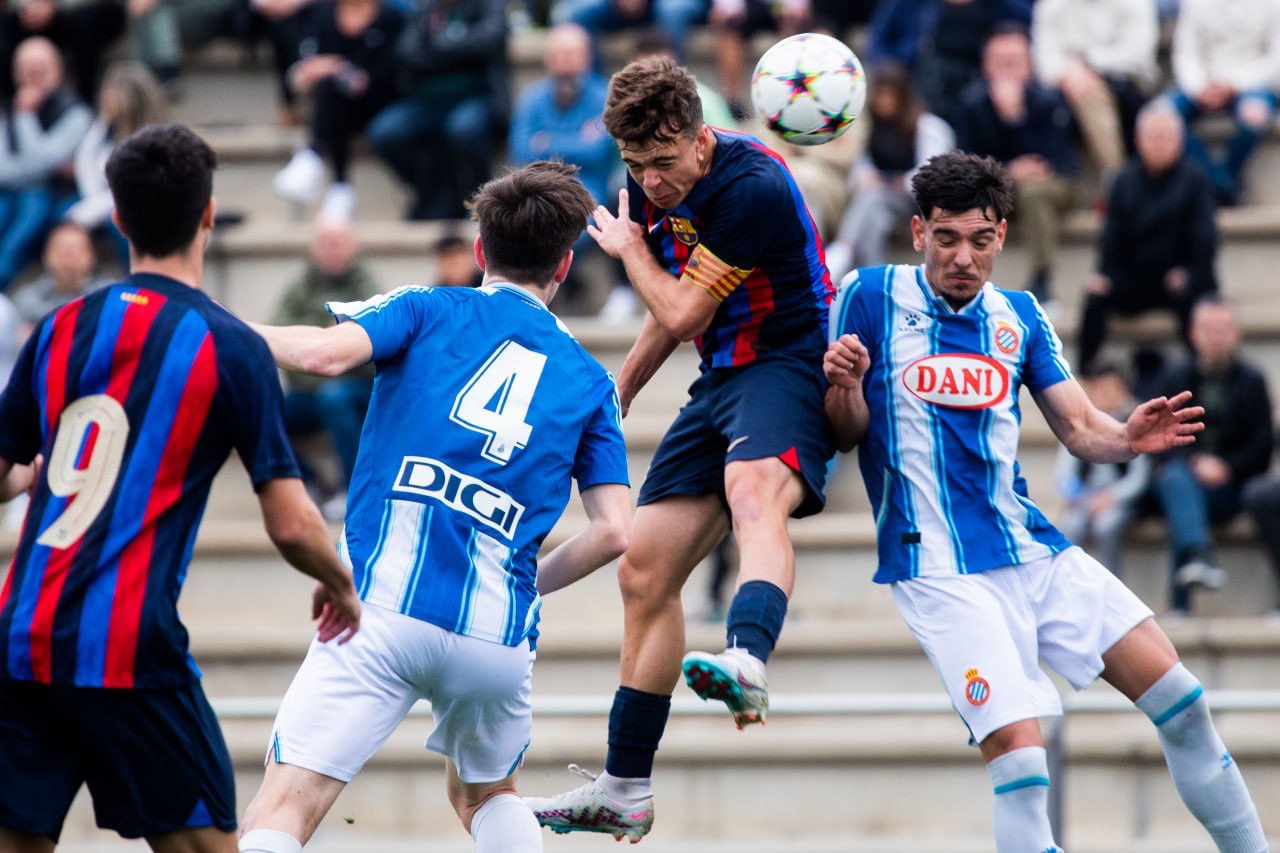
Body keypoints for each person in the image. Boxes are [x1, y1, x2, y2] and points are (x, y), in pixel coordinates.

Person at [823, 150, 1266, 853]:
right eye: (946, 237)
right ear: (917, 233)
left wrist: (1128, 437)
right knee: (1023, 762)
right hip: (937, 568)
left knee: (1184, 703)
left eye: (979, 238)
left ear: (1002, 235)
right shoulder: (869, 295)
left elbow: (1084, 428)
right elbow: (845, 433)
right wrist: (843, 385)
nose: (963, 256)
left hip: (1033, 551)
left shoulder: (1021, 314)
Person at [235, 161, 632, 853]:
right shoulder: (591, 380)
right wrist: (523, 581)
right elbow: (614, 533)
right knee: (485, 793)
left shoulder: (427, 306)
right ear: (564, 266)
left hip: (380, 611)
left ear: (480, 250)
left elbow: (325, 356)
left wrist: (224, 327)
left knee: (286, 803)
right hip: (494, 633)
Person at [0, 123, 361, 852]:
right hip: (128, 645)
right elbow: (291, 523)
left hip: (21, 633)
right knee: (201, 845)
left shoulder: (60, 324)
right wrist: (339, 582)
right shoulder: (228, 344)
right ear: (207, 214)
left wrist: (31, 477)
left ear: (121, 220)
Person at [526, 56, 836, 843]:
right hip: (723, 377)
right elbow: (676, 323)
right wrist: (618, 391)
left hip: (791, 363)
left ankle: (749, 661)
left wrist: (630, 252)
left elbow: (686, 308)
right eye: (636, 166)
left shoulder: (750, 186)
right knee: (643, 567)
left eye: (665, 163)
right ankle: (626, 784)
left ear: (701, 140)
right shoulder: (647, 189)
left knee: (752, 491)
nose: (653, 182)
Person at [1152, 296, 1273, 616]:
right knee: (1177, 479)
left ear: (1236, 333)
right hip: (1183, 479)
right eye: (1209, 330)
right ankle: (1196, 556)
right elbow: (1159, 441)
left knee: (1183, 488)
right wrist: (1196, 462)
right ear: (1193, 333)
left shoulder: (1252, 380)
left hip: (1233, 486)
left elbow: (1263, 445)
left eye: (1223, 329)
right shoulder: (1175, 376)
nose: (1216, 337)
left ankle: (1186, 587)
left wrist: (1226, 467)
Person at [1077, 101, 1219, 371]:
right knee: (1095, 296)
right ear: (1138, 140)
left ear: (1179, 140)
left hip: (1181, 278)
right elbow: (1111, 240)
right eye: (1153, 137)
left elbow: (1205, 243)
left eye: (1166, 137)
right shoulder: (1123, 181)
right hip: (1133, 280)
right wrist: (1106, 275)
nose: (1159, 144)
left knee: (1199, 300)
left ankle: (1201, 373)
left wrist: (1188, 274)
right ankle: (1085, 375)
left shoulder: (1196, 182)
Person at [954, 24, 1080, 304]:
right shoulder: (972, 103)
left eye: (1016, 62)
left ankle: (1042, 277)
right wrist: (1008, 170)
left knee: (1035, 191)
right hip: (999, 185)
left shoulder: (1049, 100)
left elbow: (1053, 159)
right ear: (987, 66)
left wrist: (1016, 119)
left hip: (1055, 183)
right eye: (1002, 63)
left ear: (1029, 64)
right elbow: (966, 162)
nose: (1009, 70)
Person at [270, 218, 380, 511]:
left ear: (353, 248)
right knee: (258, 411)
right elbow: (280, 337)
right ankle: (312, 481)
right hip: (309, 389)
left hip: (356, 389)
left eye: (339, 243)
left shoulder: (368, 287)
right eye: (326, 244)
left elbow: (373, 347)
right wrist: (329, 343)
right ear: (314, 249)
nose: (333, 251)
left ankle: (353, 489)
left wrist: (318, 346)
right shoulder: (299, 287)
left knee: (335, 397)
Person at [366, 0, 508, 221]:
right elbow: (406, 50)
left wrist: (440, 46)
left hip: (476, 96)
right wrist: (457, 50)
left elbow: (490, 39)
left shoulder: (488, 4)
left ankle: (480, 199)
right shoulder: (425, 7)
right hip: (426, 100)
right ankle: (433, 191)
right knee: (384, 133)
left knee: (464, 128)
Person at [270, 0, 404, 222]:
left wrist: (338, 67)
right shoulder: (321, 15)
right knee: (331, 89)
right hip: (336, 104)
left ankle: (319, 161)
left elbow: (392, 72)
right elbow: (300, 71)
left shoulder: (390, 18)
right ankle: (337, 184)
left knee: (333, 87)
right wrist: (319, 72)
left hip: (380, 103)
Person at [825, 62, 954, 282]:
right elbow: (860, 168)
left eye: (890, 95)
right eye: (880, 94)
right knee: (876, 215)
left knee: (873, 200)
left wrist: (899, 181)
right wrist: (867, 177)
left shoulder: (928, 127)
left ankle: (843, 250)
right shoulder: (872, 126)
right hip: (880, 201)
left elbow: (934, 176)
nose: (884, 101)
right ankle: (874, 277)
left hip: (916, 203)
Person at [0, 37, 92, 293]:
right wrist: (37, 166)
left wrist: (25, 116)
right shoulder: (6, 109)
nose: (31, 76)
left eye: (39, 69)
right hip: (11, 195)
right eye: (25, 69)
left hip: (56, 196)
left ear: (57, 70)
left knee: (26, 221)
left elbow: (43, 162)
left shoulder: (75, 112)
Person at [1031, 0, 1158, 183]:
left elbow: (1136, 54)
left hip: (1127, 84)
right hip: (1067, 85)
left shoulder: (1136, 4)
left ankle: (1115, 181)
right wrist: (1070, 73)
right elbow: (1044, 61)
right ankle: (1112, 183)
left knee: (1091, 96)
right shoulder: (1051, 5)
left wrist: (1088, 64)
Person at [1170, 0, 1280, 205]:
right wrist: (1200, 87)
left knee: (1254, 115)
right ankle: (1224, 186)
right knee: (1161, 116)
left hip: (1253, 84)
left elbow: (1276, 61)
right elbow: (1185, 53)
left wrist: (1234, 84)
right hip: (1203, 84)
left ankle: (1216, 186)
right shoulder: (1194, 4)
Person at [64, 61, 169, 267]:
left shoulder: (152, 141)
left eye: (112, 95)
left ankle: (139, 276)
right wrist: (90, 206)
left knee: (118, 223)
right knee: (57, 213)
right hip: (100, 200)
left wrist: (91, 211)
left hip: (139, 207)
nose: (106, 99)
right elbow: (86, 166)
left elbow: (131, 190)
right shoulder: (102, 127)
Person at [1054, 361, 1149, 579]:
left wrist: (1112, 496)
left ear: (1122, 391)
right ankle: (1072, 584)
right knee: (1071, 524)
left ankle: (1113, 582)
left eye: (1109, 389)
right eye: (1097, 389)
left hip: (1116, 499)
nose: (1103, 395)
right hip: (1086, 496)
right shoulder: (1079, 425)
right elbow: (1064, 472)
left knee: (1106, 525)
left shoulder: (1132, 425)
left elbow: (1138, 478)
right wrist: (1074, 494)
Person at [10, 221, 109, 327]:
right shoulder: (27, 298)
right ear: (45, 255)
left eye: (74, 250)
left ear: (92, 256)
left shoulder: (108, 297)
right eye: (60, 249)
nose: (67, 257)